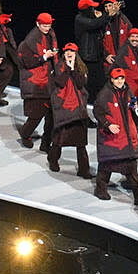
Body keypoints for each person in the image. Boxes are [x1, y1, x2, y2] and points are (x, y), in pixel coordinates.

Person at [92, 64, 138, 204]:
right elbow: (97, 112)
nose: (120, 81)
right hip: (111, 137)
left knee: (131, 168)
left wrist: (133, 107)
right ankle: (100, 190)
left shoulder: (127, 91)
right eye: (117, 78)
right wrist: (108, 125)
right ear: (111, 80)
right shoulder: (104, 94)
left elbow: (131, 104)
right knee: (106, 166)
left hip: (125, 137)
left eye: (122, 78)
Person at [46, 45, 92, 178]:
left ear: (76, 53)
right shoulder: (58, 66)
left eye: (72, 51)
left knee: (81, 143)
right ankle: (53, 159)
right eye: (67, 51)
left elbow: (80, 83)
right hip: (64, 108)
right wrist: (67, 68)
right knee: (60, 139)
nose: (69, 53)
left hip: (78, 110)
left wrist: (73, 69)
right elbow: (60, 82)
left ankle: (84, 169)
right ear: (64, 54)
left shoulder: (81, 68)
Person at [16, 12, 58, 149]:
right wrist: (44, 57)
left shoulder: (50, 35)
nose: (47, 28)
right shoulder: (30, 41)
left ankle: (46, 142)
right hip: (36, 81)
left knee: (51, 114)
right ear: (37, 24)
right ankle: (25, 133)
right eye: (44, 25)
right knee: (37, 114)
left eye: (49, 25)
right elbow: (26, 62)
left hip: (48, 79)